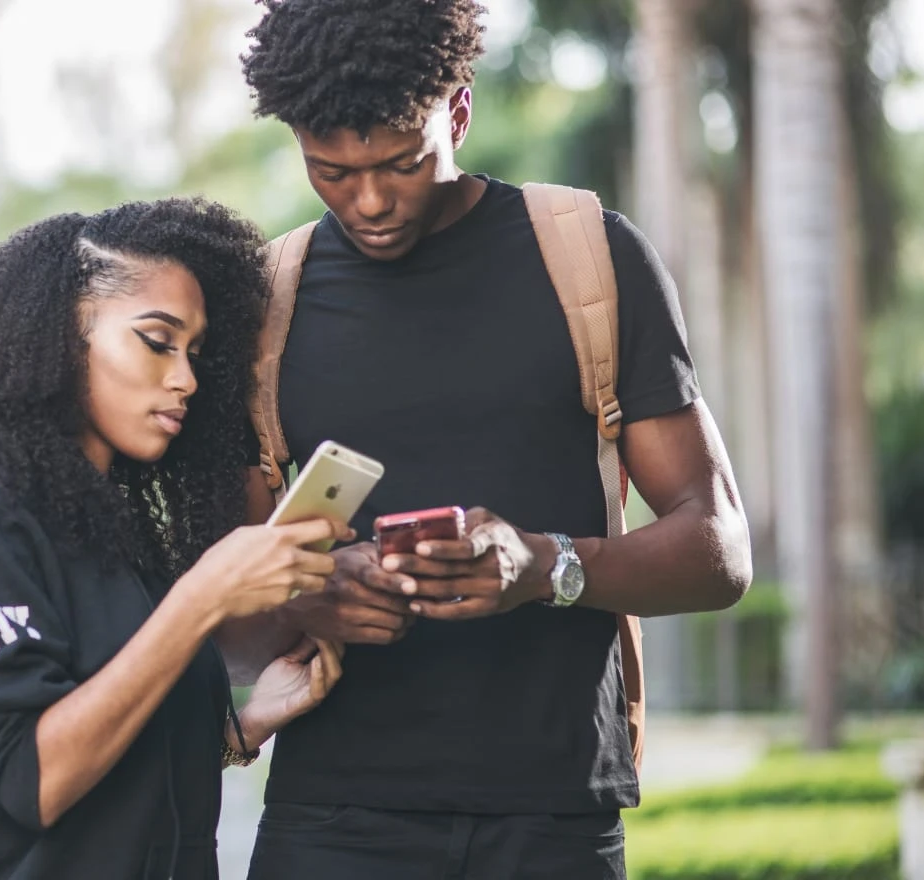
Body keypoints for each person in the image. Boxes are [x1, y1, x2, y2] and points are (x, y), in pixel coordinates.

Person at [224, 1, 755, 878]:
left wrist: (547, 565)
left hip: (552, 821)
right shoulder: (268, 305)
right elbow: (228, 615)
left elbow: (720, 549)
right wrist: (315, 597)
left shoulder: (588, 257)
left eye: (401, 163)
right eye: (330, 171)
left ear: (458, 112)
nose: (369, 201)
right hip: (332, 821)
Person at [0, 198, 352, 880]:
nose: (185, 378)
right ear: (61, 336)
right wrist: (199, 601)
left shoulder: (115, 527)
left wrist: (241, 727)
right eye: (157, 340)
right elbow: (32, 781)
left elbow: (123, 776)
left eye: (195, 352)